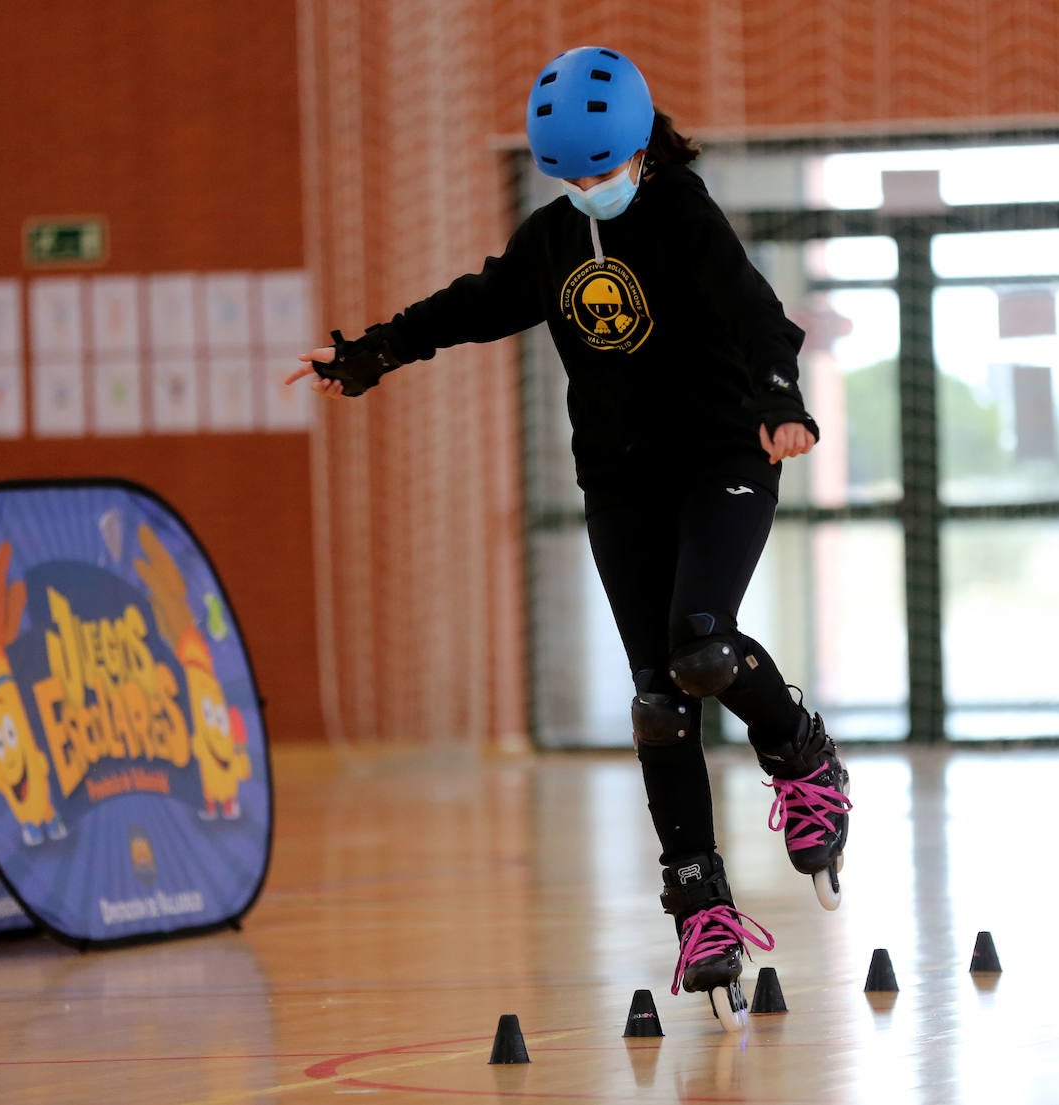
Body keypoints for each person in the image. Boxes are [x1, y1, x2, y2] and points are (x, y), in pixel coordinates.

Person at [287, 45, 851, 1030]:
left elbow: (759, 315)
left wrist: (780, 400)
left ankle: (798, 749)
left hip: (726, 453)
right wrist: (374, 349)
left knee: (705, 645)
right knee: (659, 700)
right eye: (570, 175)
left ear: (636, 148)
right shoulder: (555, 240)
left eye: (599, 169)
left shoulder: (681, 214)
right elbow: (475, 303)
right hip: (623, 484)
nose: (586, 188)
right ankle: (701, 906)